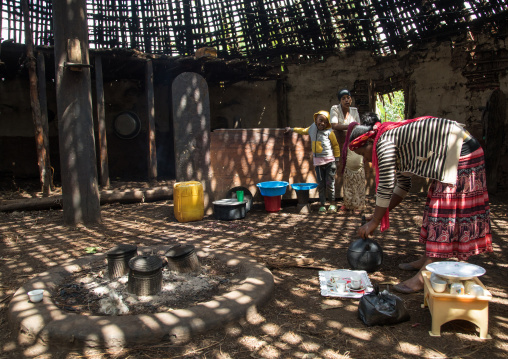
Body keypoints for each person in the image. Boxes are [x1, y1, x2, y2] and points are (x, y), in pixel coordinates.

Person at [349, 113, 493, 293]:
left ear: (369, 143)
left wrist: (375, 221)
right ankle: (428, 258)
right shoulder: (391, 141)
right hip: (452, 155)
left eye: (363, 153)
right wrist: (377, 215)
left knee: (443, 214)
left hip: (462, 154)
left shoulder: (383, 142)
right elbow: (403, 185)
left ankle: (426, 276)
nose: (365, 160)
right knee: (435, 205)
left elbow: (385, 185)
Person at [285, 111, 341, 214]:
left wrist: (337, 160)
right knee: (321, 185)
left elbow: (336, 146)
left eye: (325, 121)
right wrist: (291, 129)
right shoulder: (312, 129)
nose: (322, 123)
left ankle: (332, 204)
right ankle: (323, 205)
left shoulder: (329, 132)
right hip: (318, 164)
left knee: (329, 184)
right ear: (315, 120)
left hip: (329, 163)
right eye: (320, 120)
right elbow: (302, 130)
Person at [330, 89, 366, 214]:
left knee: (357, 174)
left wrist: (352, 127)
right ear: (340, 100)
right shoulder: (335, 109)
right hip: (342, 147)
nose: (346, 100)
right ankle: (348, 202)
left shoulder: (354, 111)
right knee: (347, 175)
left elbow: (359, 127)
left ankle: (358, 204)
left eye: (348, 97)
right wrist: (351, 126)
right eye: (343, 98)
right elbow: (334, 125)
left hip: (354, 145)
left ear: (351, 99)